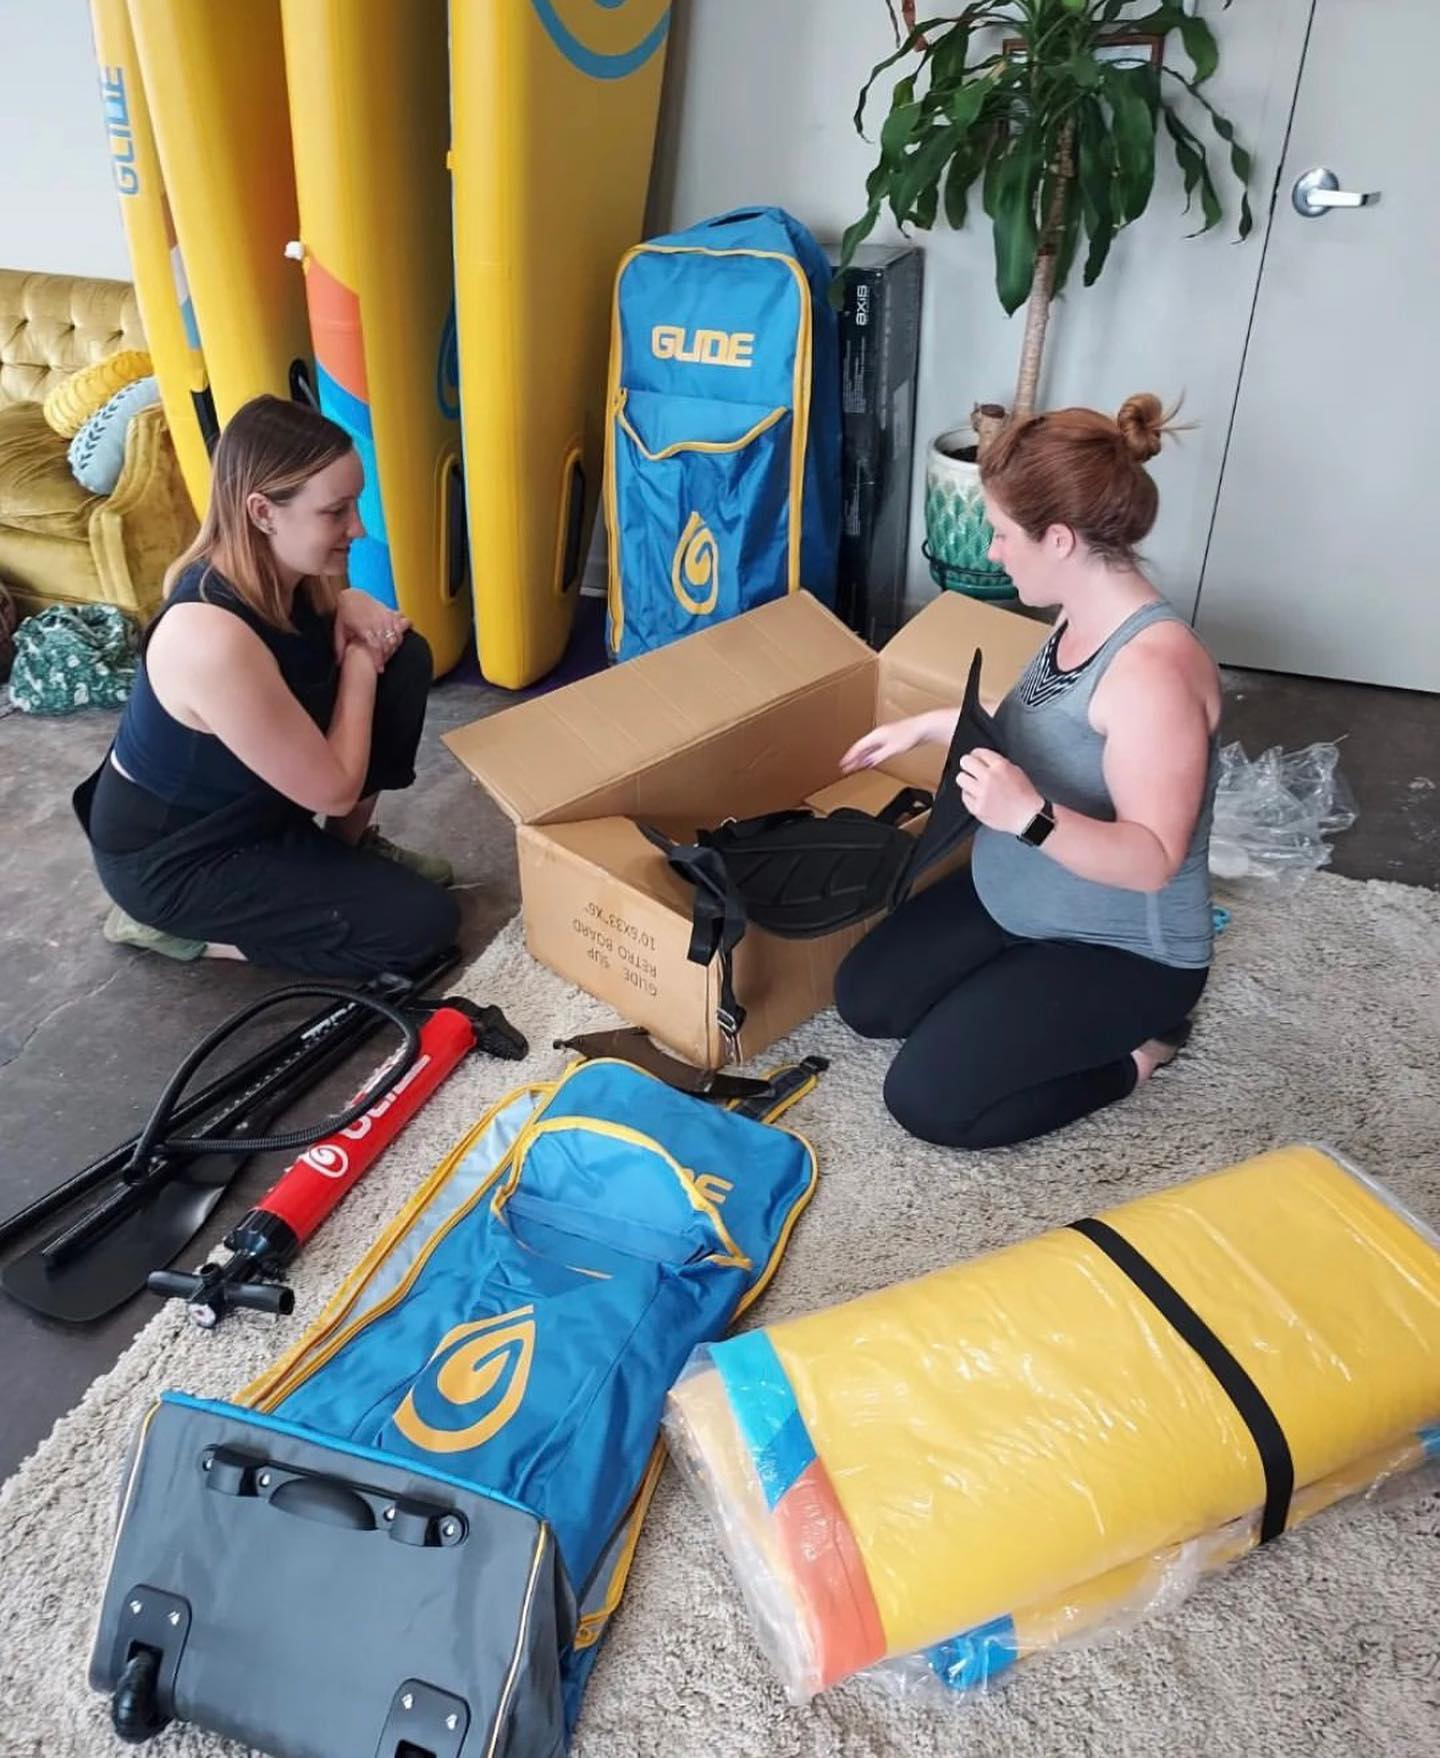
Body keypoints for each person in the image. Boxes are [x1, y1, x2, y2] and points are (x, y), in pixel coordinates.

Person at [834, 394, 1221, 1149]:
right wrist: (934, 724)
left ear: (1061, 539)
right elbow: (1045, 729)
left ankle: (1144, 1051)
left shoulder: (1151, 677)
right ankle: (1017, 992)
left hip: (1121, 949)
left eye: (1003, 535)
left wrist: (1028, 817)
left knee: (927, 1102)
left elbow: (1152, 859)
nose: (991, 552)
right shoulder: (1076, 606)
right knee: (866, 1002)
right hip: (1017, 895)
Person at [75, 394, 460, 979]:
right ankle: (174, 931)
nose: (357, 528)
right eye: (336, 512)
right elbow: (331, 791)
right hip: (181, 860)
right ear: (262, 512)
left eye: (355, 505)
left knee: (403, 658)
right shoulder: (208, 636)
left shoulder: (299, 569)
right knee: (422, 929)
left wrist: (355, 609)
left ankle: (346, 854)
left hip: (252, 809)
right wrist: (360, 663)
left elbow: (350, 654)